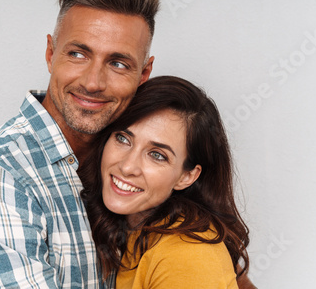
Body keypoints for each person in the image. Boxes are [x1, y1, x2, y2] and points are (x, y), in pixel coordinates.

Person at [0, 0, 158, 288]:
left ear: (144, 73)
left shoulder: (133, 168)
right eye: (78, 54)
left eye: (118, 63)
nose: (93, 82)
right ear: (50, 53)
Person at [79, 75, 250, 288]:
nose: (127, 166)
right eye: (123, 138)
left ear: (187, 176)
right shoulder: (135, 229)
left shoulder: (187, 255)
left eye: (157, 155)